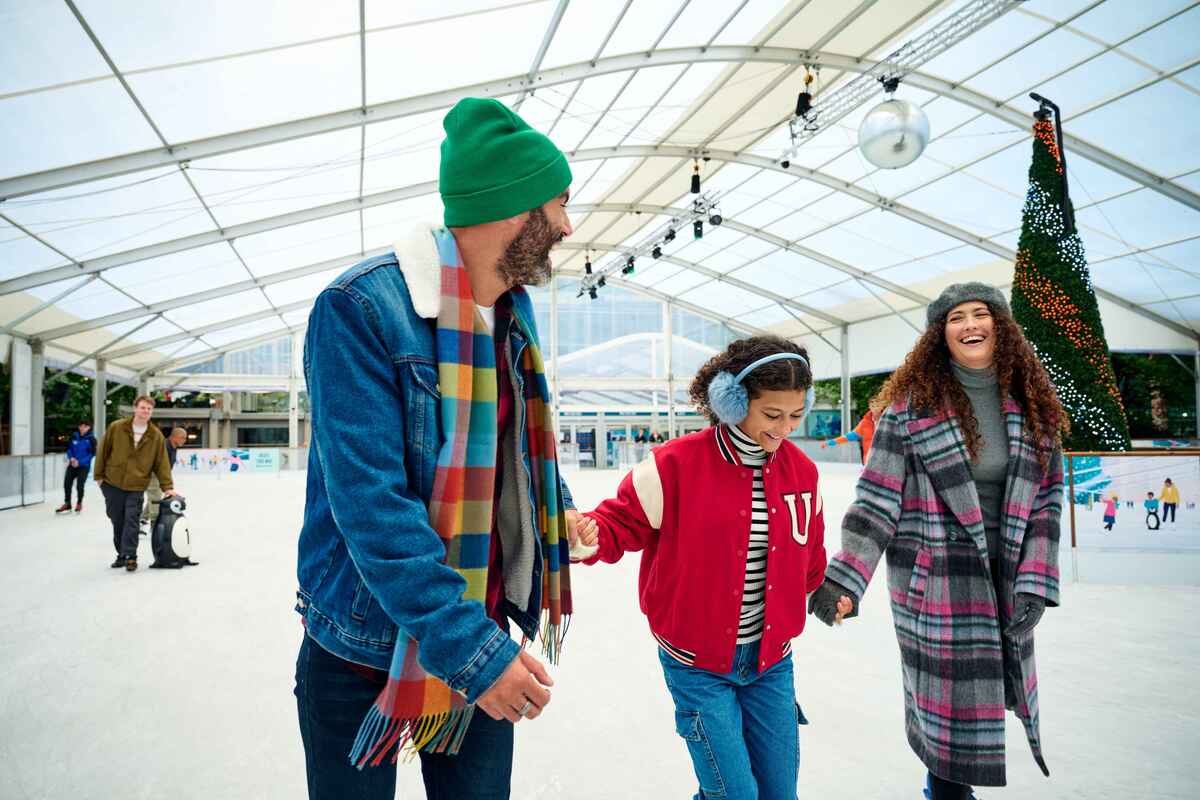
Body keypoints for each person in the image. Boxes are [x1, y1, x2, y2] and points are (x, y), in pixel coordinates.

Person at [294, 97, 586, 800]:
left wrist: (558, 513)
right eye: (559, 204)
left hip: (476, 622)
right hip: (367, 647)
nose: (568, 225)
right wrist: (476, 656)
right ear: (511, 208)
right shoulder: (361, 309)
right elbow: (373, 509)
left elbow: (514, 445)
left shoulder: (512, 311)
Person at [809, 283, 1068, 799]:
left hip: (1008, 575)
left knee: (989, 697)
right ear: (940, 335)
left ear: (1001, 325)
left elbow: (1047, 501)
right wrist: (843, 578)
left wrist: (1037, 581)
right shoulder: (909, 410)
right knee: (948, 716)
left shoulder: (1033, 405)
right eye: (956, 318)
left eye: (980, 314)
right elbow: (877, 500)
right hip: (939, 581)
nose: (970, 325)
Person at [574, 335, 850, 800]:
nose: (785, 429)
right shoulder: (674, 466)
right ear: (732, 401)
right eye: (772, 415)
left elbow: (811, 551)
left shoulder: (802, 471)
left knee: (779, 792)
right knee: (733, 793)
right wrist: (586, 535)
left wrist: (821, 592)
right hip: (697, 665)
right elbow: (619, 522)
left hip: (771, 661)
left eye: (796, 416)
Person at [93, 396, 177, 571]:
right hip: (112, 482)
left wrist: (167, 487)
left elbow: (162, 463)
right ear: (135, 408)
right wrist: (99, 476)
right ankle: (121, 554)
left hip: (137, 484)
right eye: (143, 408)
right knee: (117, 520)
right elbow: (103, 451)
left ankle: (131, 556)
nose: (146, 411)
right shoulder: (117, 427)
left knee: (132, 520)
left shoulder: (155, 435)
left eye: (149, 409)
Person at [141, 427, 188, 532]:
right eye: (182, 438)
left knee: (156, 497)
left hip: (161, 475)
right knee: (156, 498)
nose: (184, 441)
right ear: (174, 437)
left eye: (185, 438)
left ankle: (142, 519)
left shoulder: (173, 447)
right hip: (153, 473)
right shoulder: (163, 446)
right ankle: (154, 525)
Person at [820, 396, 883, 464]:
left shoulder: (888, 421)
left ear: (882, 406)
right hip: (869, 462)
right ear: (869, 407)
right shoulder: (865, 423)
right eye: (873, 406)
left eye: (877, 406)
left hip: (884, 461)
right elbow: (849, 436)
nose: (875, 408)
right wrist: (830, 442)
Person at [56, 420, 97, 513]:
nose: (82, 428)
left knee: (80, 485)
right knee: (67, 483)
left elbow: (92, 454)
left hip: (84, 466)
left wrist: (80, 462)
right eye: (81, 426)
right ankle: (67, 504)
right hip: (72, 464)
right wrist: (71, 459)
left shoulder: (91, 439)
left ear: (89, 428)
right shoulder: (74, 436)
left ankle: (79, 503)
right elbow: (69, 449)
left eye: (85, 426)